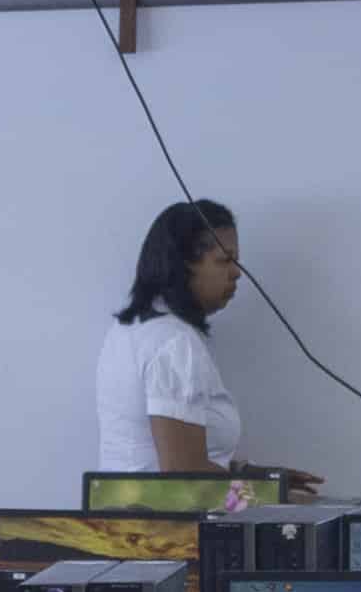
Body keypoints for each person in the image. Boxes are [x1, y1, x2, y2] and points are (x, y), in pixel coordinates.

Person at [92, 201, 316, 487]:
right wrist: (270, 495)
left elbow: (181, 461)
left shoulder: (131, 329)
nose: (237, 273)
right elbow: (182, 475)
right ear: (182, 265)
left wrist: (265, 478)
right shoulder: (173, 342)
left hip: (125, 511)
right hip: (159, 515)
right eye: (225, 260)